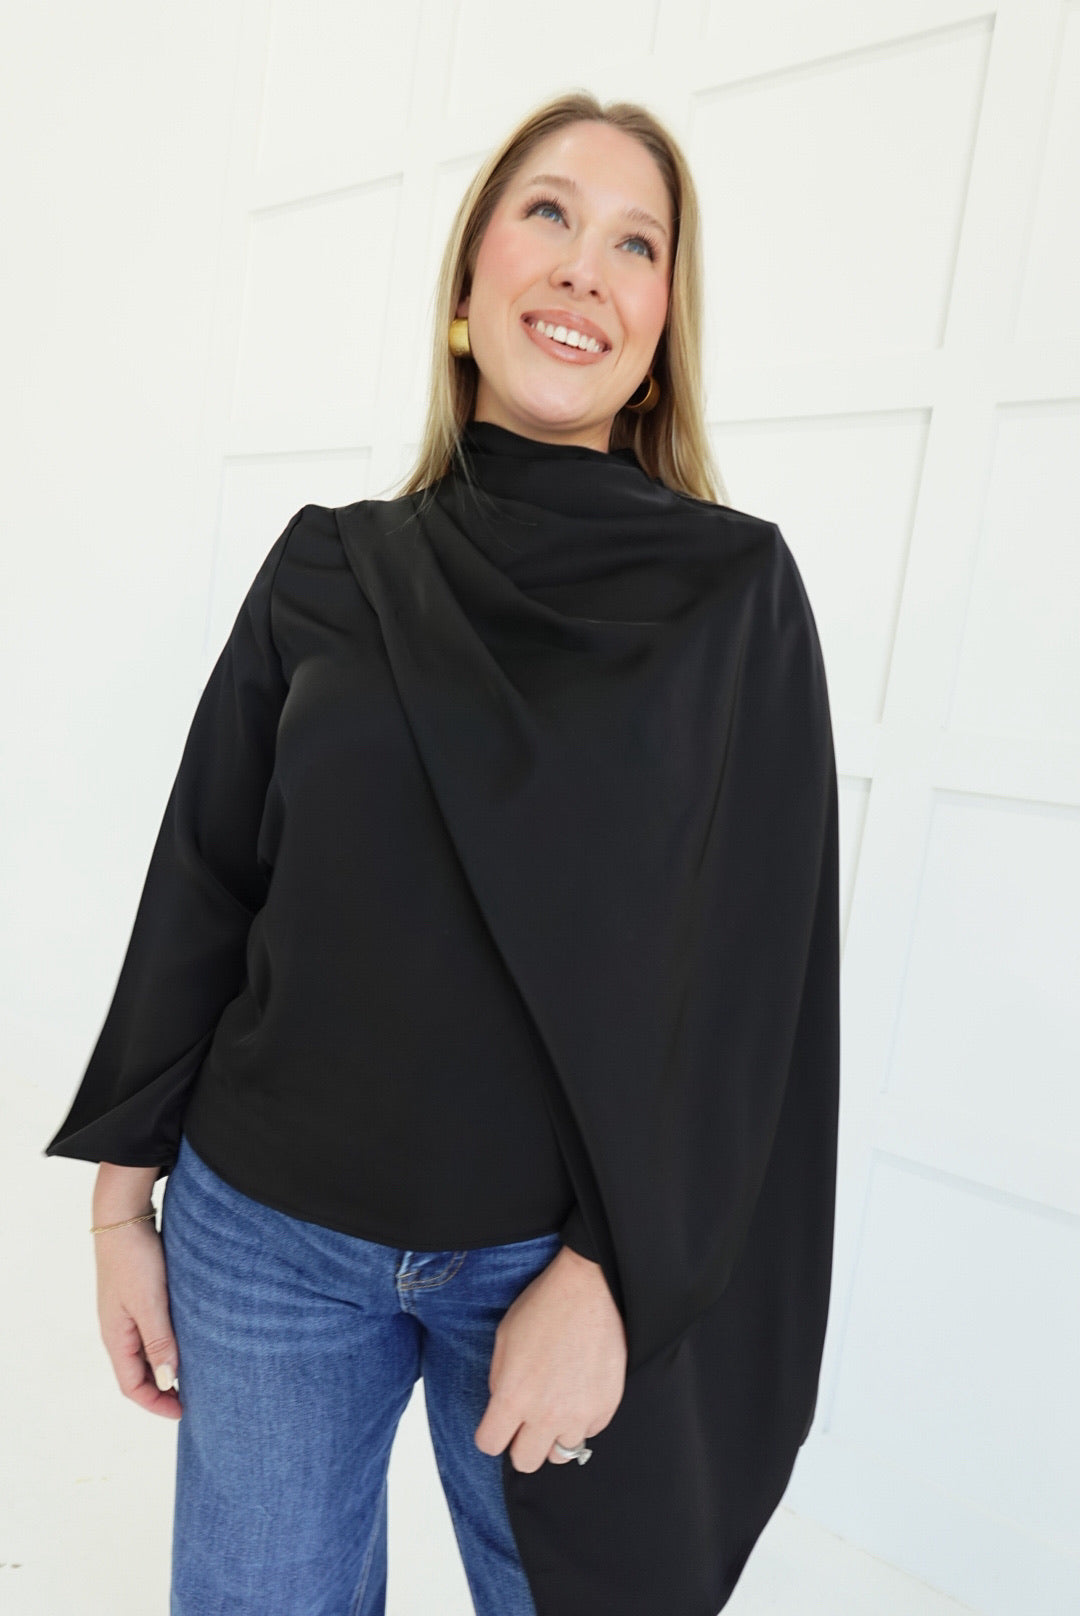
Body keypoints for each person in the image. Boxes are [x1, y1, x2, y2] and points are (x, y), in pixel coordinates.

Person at [45, 90, 840, 1616]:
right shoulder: (329, 565)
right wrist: (117, 1207)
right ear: (469, 278)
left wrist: (608, 1276)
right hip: (265, 1237)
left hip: (546, 1266)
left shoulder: (731, 597)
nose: (585, 264)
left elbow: (754, 989)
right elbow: (206, 884)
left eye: (637, 243)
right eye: (548, 213)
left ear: (661, 326)